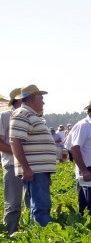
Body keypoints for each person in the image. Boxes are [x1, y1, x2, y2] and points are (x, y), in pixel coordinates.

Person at [9, 85, 57, 227]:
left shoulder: (31, 115)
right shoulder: (22, 114)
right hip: (34, 170)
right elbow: (15, 141)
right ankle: (42, 236)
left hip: (38, 170)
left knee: (41, 203)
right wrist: (26, 169)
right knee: (40, 206)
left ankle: (38, 235)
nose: (43, 102)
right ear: (31, 99)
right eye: (41, 98)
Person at [0, 88, 30, 234]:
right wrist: (19, 153)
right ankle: (9, 233)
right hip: (12, 164)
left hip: (31, 165)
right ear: (19, 100)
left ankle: (31, 233)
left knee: (31, 201)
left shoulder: (32, 116)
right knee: (13, 203)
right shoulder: (5, 116)